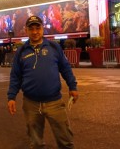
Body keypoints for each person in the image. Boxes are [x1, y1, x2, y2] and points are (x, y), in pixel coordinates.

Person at [7, 15, 78, 149]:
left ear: (42, 28)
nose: (35, 32)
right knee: (36, 142)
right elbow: (15, 76)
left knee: (65, 140)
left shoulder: (53, 47)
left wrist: (72, 87)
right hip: (31, 104)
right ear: (26, 30)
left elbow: (65, 68)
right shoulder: (21, 51)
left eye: (37, 28)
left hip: (54, 102)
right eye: (31, 29)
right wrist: (11, 97)